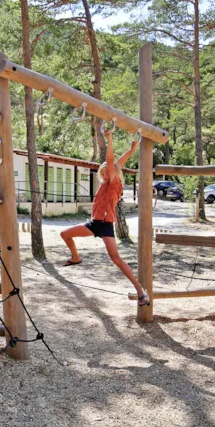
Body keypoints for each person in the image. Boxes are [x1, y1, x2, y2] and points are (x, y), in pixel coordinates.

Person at [61, 122, 150, 306]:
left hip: (106, 224)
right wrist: (132, 149)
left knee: (116, 258)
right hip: (94, 223)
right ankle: (76, 257)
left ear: (114, 173)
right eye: (102, 174)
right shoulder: (104, 184)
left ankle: (140, 291)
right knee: (65, 234)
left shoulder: (115, 184)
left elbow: (112, 163)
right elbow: (117, 163)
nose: (105, 175)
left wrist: (109, 138)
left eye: (107, 172)